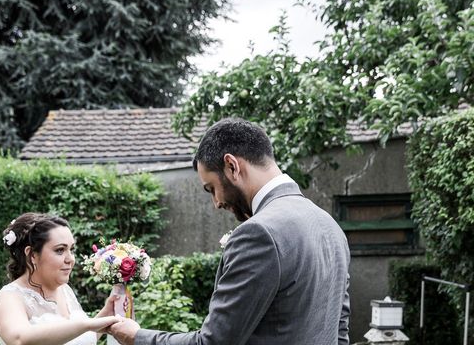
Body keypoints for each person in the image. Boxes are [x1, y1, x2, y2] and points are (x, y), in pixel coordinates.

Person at [109, 118, 351, 345]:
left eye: (211, 188)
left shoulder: (260, 233)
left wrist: (137, 337)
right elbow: (339, 333)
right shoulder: (330, 226)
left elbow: (214, 342)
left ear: (232, 166)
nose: (216, 202)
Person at [0, 212, 120, 345]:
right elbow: (19, 339)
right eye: (60, 250)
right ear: (32, 255)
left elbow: (78, 339)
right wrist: (87, 324)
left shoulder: (65, 290)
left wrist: (107, 313)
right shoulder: (9, 298)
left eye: (71, 249)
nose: (70, 259)